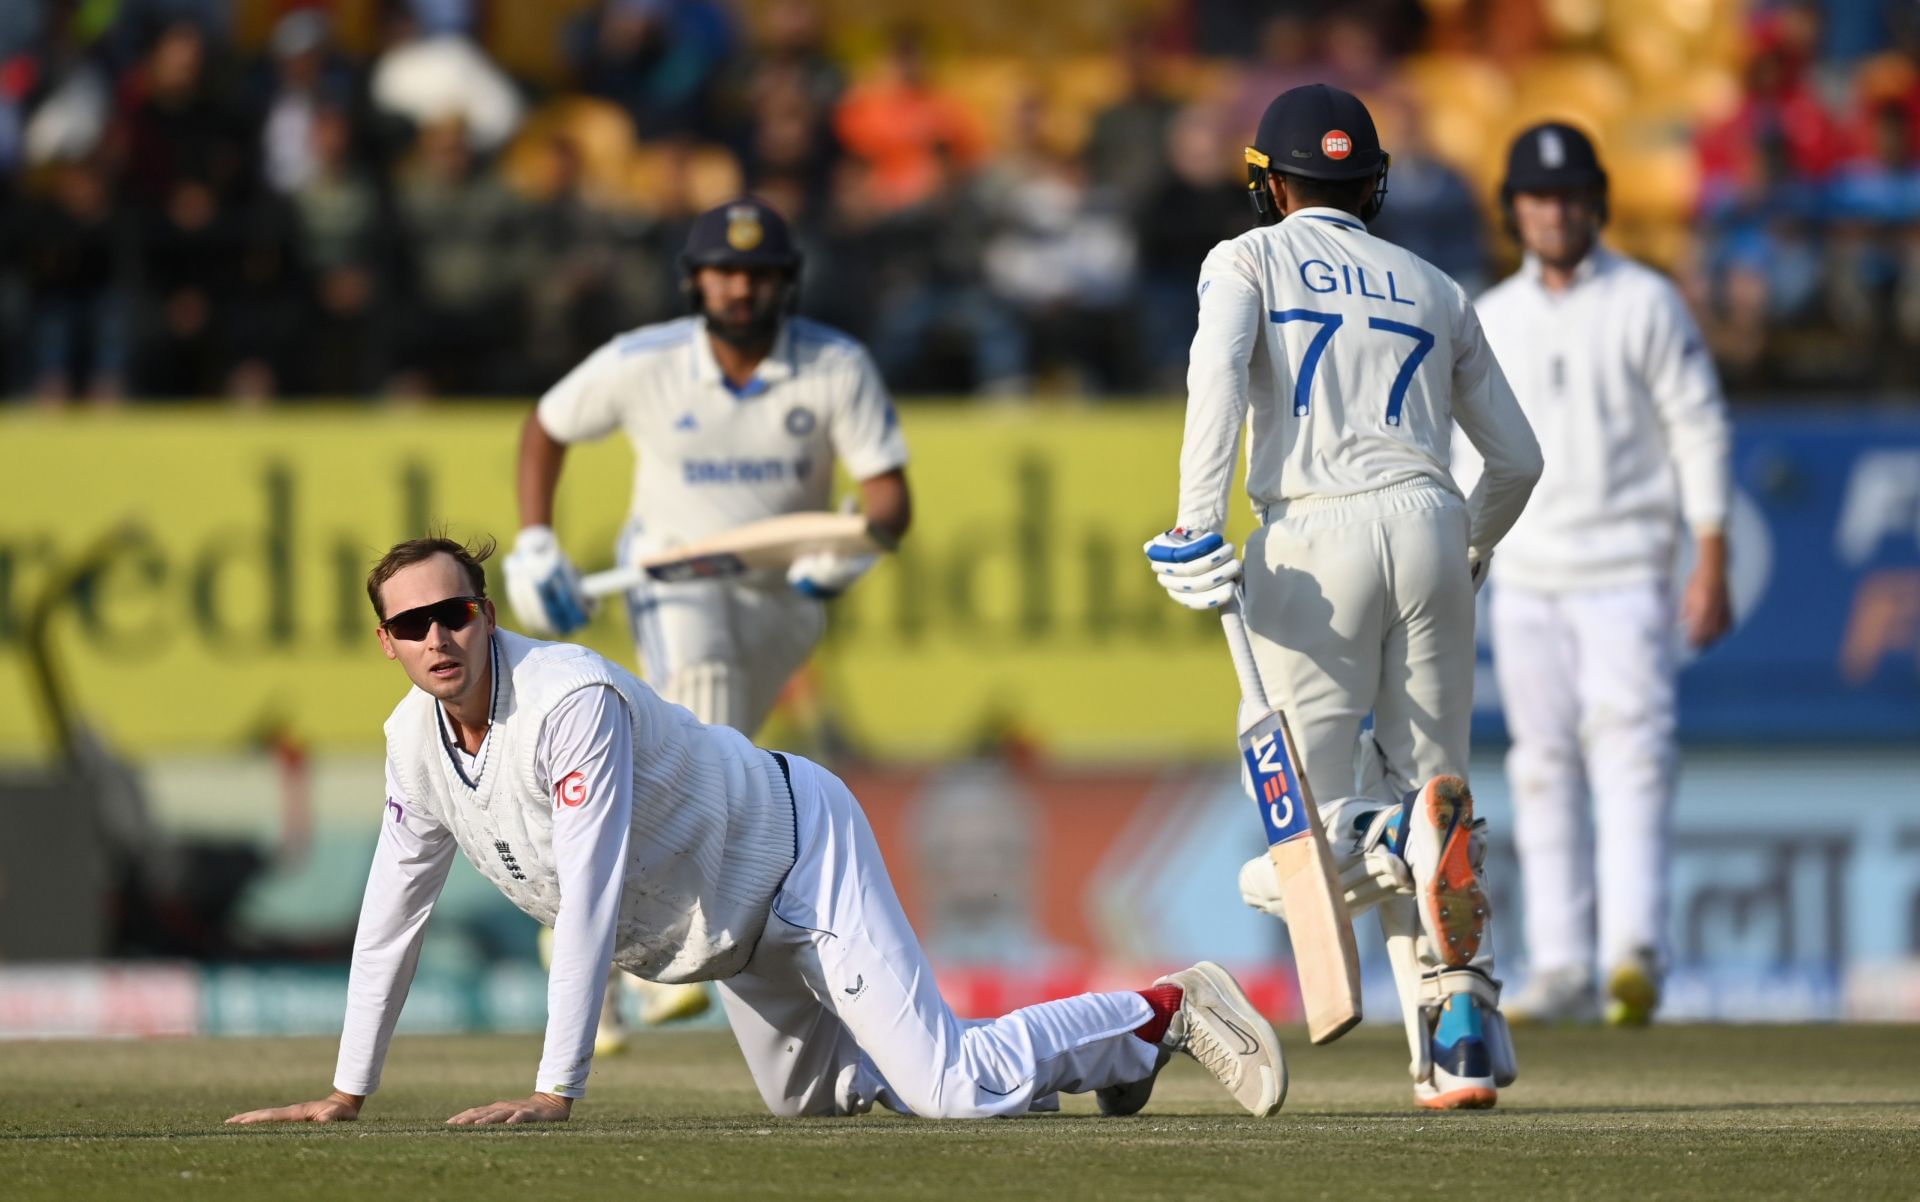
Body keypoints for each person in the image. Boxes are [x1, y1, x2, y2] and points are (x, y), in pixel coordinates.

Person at [225, 537, 1285, 1126]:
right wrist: (345, 1091)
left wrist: (558, 1088)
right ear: (387, 643)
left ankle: (1165, 1007)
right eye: (411, 624)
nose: (437, 635)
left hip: (796, 855)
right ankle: (1075, 1063)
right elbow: (390, 919)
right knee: (807, 1102)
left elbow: (588, 893)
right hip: (718, 933)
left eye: (453, 611)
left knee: (949, 1088)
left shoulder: (569, 699)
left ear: (487, 612)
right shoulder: (411, 743)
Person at [1144, 84, 1541, 1109]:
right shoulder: (1436, 284)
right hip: (1432, 514)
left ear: (1266, 183)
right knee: (1435, 789)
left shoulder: (1247, 257)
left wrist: (1196, 520)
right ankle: (1456, 1042)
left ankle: (1384, 838)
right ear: (1373, 186)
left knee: (1295, 849)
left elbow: (1216, 374)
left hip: (1314, 530)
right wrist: (1471, 551)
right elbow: (1520, 461)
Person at [504, 196, 912, 1038]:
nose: (740, 290)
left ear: (786, 284)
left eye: (758, 275)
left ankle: (576, 930)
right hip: (672, 573)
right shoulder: (644, 360)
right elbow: (546, 425)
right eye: (724, 273)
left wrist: (849, 550)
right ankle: (667, 953)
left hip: (782, 601)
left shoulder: (835, 365)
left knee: (690, 765)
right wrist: (536, 539)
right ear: (694, 281)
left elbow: (888, 498)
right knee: (703, 714)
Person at [1455, 123, 1733, 1027]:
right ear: (1514, 211)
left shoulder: (1648, 302)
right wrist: (1466, 560)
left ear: (1597, 204)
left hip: (1624, 567)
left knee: (1632, 753)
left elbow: (1698, 424)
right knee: (1539, 765)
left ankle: (1634, 953)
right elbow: (1469, 453)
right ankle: (1565, 963)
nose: (1553, 212)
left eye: (1569, 196)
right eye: (1537, 198)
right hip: (1527, 571)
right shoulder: (1490, 313)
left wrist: (1711, 550)